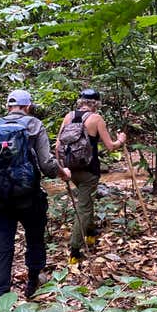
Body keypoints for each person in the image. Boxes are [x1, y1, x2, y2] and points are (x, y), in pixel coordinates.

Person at [0, 89, 70, 302]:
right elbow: (46, 164)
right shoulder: (34, 125)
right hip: (28, 197)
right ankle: (34, 283)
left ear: (8, 106)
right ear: (28, 107)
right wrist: (63, 173)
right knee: (34, 238)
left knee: (1, 246)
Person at [56, 89, 126, 263]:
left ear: (81, 101)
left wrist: (62, 168)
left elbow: (57, 145)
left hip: (71, 170)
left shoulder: (69, 116)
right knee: (84, 208)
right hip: (89, 170)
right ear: (96, 103)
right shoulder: (96, 119)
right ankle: (75, 251)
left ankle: (91, 234)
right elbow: (110, 146)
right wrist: (121, 140)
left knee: (87, 201)